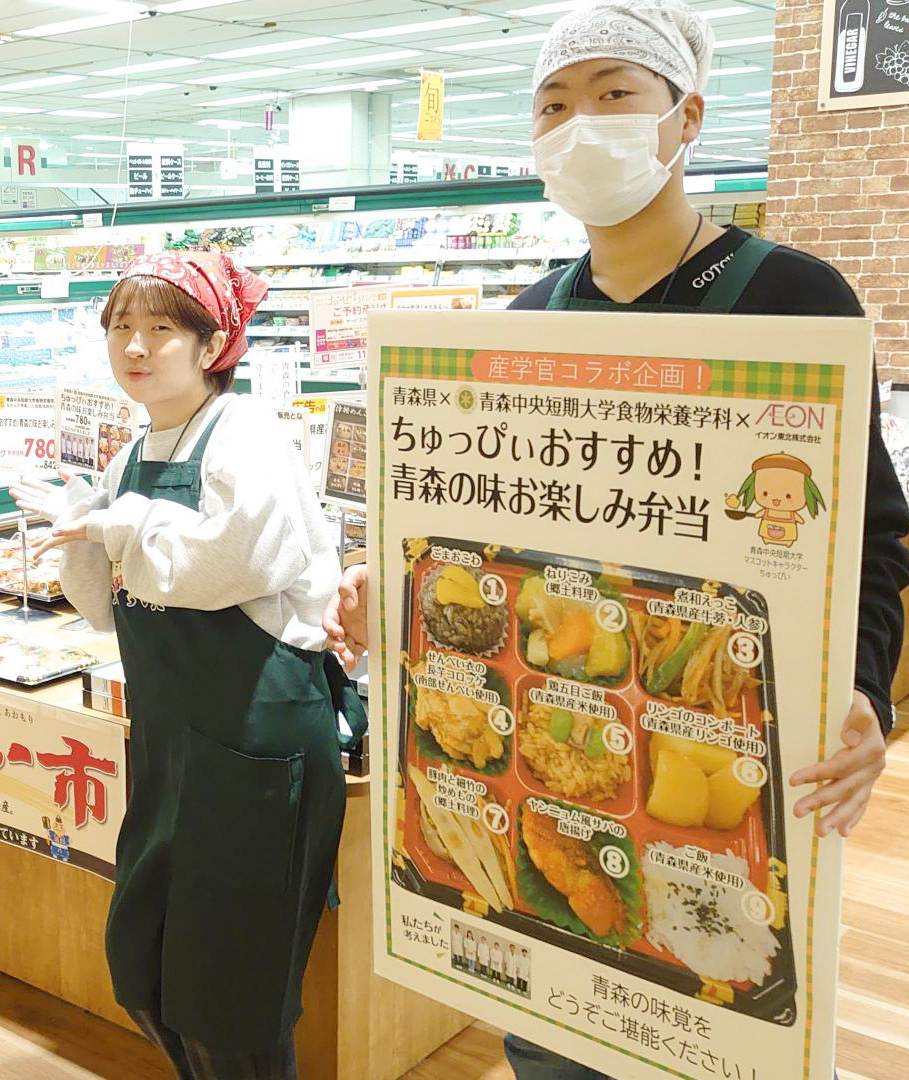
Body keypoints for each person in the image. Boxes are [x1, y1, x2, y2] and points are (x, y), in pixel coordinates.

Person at [325, 2, 909, 1076]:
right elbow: (484, 540)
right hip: (558, 760)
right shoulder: (524, 319)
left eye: (612, 95)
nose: (578, 123)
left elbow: (869, 542)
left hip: (726, 751)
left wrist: (862, 688)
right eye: (553, 104)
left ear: (683, 118)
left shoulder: (793, 298)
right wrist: (388, 587)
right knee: (556, 1044)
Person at [11, 251, 365, 1079]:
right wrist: (80, 524)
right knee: (144, 962)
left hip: (256, 745)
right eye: (120, 327)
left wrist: (116, 525)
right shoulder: (133, 449)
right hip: (173, 745)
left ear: (212, 346)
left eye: (161, 328)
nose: (135, 346)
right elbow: (106, 603)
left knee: (230, 988)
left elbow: (235, 561)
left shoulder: (247, 435)